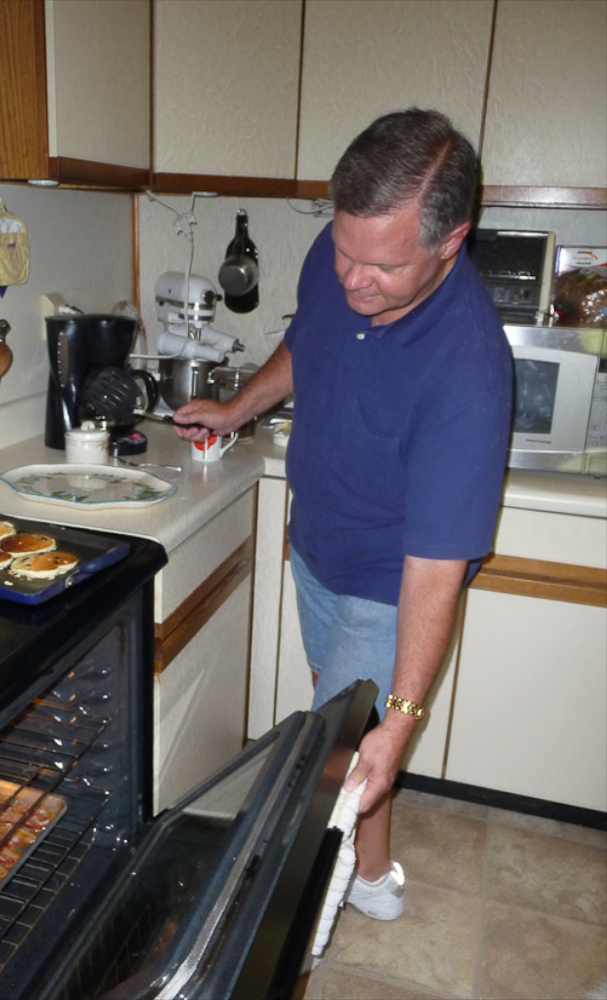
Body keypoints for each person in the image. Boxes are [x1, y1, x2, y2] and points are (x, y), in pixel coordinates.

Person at [173, 108, 513, 921]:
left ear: (449, 240)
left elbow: (435, 566)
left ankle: (296, 927)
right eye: (342, 250)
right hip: (315, 546)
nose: (352, 278)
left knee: (335, 761)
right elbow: (310, 341)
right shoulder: (347, 263)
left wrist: (401, 721)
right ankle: (370, 874)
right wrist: (237, 409)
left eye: (382, 267)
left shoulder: (468, 369)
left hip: (384, 577)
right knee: (344, 731)